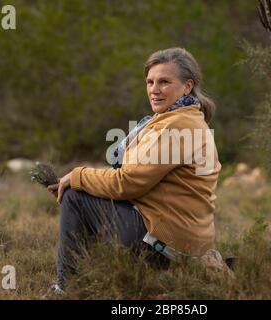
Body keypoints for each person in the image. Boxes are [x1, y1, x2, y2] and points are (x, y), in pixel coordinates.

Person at [47, 47, 222, 292]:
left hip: (167, 244)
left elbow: (127, 183)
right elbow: (132, 175)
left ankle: (67, 288)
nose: (154, 89)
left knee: (76, 197)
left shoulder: (178, 125)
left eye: (164, 82)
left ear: (187, 86)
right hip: (184, 238)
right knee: (88, 191)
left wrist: (78, 176)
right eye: (150, 82)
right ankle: (100, 277)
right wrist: (86, 179)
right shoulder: (181, 120)